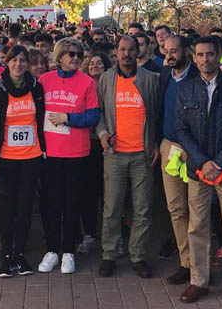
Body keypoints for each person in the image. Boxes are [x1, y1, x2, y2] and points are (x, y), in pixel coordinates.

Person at [176, 36, 222, 306]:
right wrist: (203, 162)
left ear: (219, 55)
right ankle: (199, 280)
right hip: (199, 169)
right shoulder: (185, 90)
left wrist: (218, 162)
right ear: (193, 57)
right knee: (197, 227)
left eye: (210, 54)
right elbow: (181, 130)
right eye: (199, 54)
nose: (205, 59)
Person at [96, 36, 160, 279]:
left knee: (143, 208)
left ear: (138, 52)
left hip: (142, 153)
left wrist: (154, 142)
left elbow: (156, 114)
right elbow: (99, 113)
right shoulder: (106, 79)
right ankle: (109, 255)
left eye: (131, 50)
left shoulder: (149, 80)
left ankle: (138, 255)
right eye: (122, 50)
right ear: (116, 52)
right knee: (112, 207)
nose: (126, 54)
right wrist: (103, 134)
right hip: (115, 154)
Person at [37, 38, 100, 274]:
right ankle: (52, 250)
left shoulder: (86, 83)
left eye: (78, 54)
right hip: (50, 152)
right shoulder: (44, 80)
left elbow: (94, 117)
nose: (75, 58)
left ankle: (69, 251)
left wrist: (69, 119)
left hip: (76, 152)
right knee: (52, 203)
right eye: (70, 54)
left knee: (72, 202)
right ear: (60, 56)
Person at [0, 45, 45, 278]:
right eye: (14, 60)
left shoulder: (36, 87)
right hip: (6, 159)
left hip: (31, 157)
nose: (18, 64)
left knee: (25, 208)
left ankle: (20, 254)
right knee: (7, 209)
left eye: (22, 60)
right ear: (6, 63)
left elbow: (41, 119)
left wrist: (44, 151)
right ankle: (7, 256)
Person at [157, 35, 195, 285]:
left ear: (187, 52)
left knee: (198, 210)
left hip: (196, 151)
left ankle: (201, 263)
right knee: (176, 209)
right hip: (169, 148)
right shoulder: (164, 77)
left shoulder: (199, 77)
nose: (169, 55)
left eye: (174, 51)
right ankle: (186, 263)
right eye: (165, 51)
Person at [79, 51, 112, 254]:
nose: (95, 66)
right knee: (88, 193)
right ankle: (89, 233)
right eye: (91, 63)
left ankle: (112, 237)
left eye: (99, 63)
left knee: (109, 193)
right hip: (86, 144)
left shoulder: (111, 87)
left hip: (109, 144)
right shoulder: (82, 85)